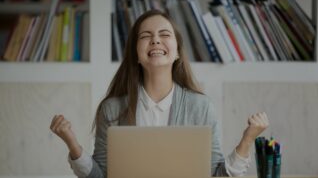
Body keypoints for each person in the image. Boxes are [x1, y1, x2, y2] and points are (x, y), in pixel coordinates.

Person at [50, 10, 269, 177]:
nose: (155, 40)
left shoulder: (201, 107)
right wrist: (72, 144)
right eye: (146, 36)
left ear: (177, 52)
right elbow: (100, 176)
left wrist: (248, 138)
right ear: (136, 53)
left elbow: (216, 176)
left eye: (164, 34)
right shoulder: (112, 109)